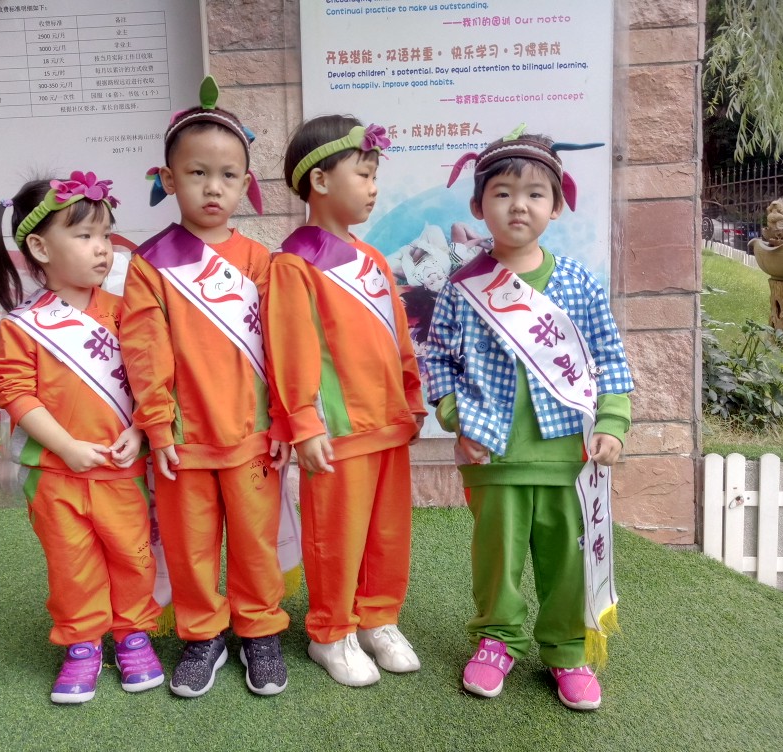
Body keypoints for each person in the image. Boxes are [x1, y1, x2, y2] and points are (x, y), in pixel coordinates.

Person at [424, 125, 635, 711]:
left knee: (566, 558)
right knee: (497, 558)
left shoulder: (578, 283)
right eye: (503, 193)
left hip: (568, 454)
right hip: (493, 453)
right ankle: (497, 639)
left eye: (535, 193)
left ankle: (567, 649)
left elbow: (609, 359)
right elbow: (436, 358)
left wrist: (612, 421)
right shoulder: (462, 287)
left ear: (557, 205)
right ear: (478, 206)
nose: (519, 205)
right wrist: (456, 416)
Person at [119, 76, 290, 698]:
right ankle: (201, 634)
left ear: (246, 183)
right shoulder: (150, 264)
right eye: (197, 173)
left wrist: (284, 418)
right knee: (191, 547)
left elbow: (283, 350)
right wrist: (156, 426)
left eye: (227, 175)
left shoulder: (261, 262)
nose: (212, 187)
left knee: (255, 543)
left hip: (252, 435)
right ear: (169, 179)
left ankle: (260, 629)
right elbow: (143, 352)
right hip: (183, 441)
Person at [0, 171, 164, 705]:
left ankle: (132, 635)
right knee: (71, 564)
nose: (102, 248)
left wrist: (140, 430)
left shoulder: (129, 313)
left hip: (121, 470)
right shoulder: (22, 326)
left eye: (105, 235)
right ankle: (82, 643)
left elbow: (152, 382)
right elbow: (16, 393)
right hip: (55, 476)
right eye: (84, 236)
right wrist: (66, 446)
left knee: (132, 556)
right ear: (40, 247)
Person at [264, 115, 427, 687]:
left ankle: (378, 618)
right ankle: (331, 631)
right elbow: (290, 352)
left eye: (375, 175)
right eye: (363, 174)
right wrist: (304, 424)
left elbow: (399, 337)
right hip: (336, 430)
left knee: (388, 533)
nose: (373, 187)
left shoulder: (375, 259)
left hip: (389, 423)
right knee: (336, 536)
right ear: (320, 181)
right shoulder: (293, 264)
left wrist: (412, 398)